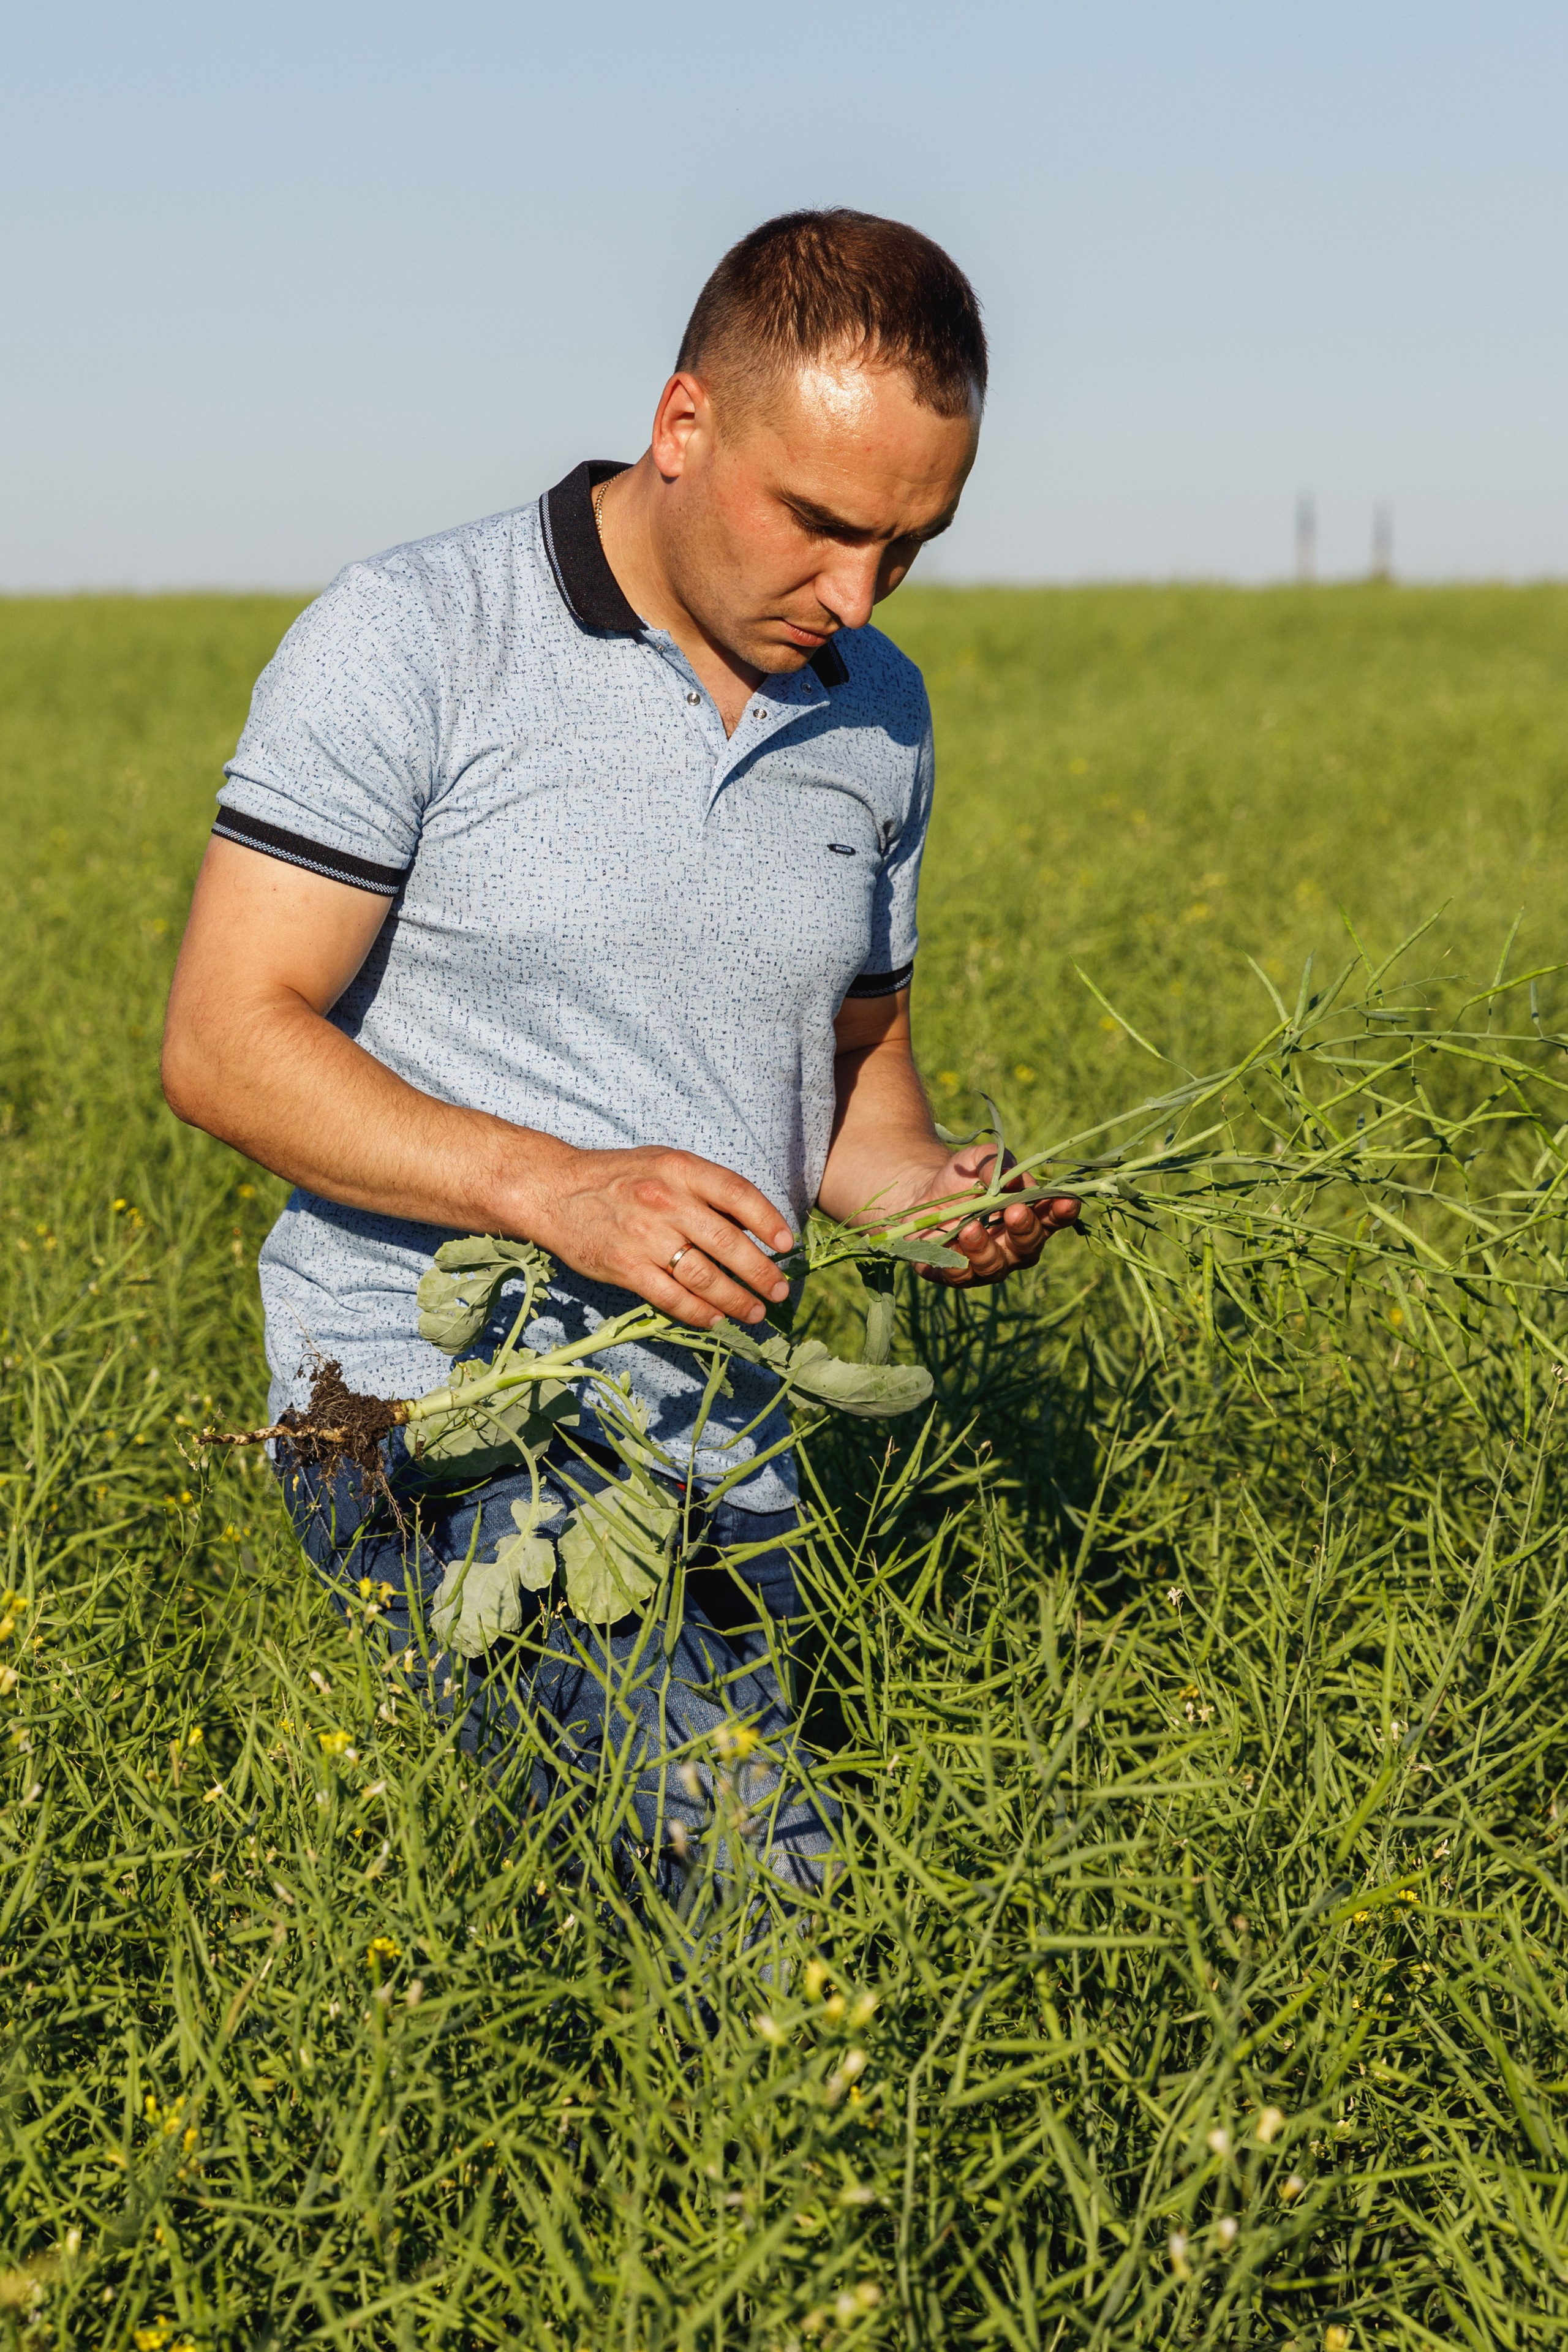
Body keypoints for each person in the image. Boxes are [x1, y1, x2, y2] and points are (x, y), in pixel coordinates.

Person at [162, 208, 1080, 1900]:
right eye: (819, 525)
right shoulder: (417, 637)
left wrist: (935, 1197)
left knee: (580, 1975)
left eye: (910, 544)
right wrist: (552, 1191)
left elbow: (851, 1092)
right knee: (762, 1915)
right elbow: (225, 1041)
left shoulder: (879, 714)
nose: (858, 593)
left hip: (727, 1457)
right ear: (684, 428)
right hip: (439, 1422)